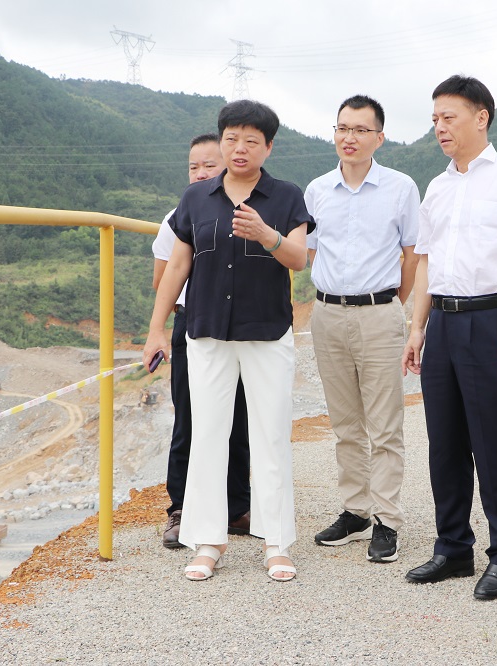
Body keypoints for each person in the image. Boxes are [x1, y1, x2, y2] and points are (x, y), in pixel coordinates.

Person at [143, 99, 313, 582]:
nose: (240, 148)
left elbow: (299, 259)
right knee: (208, 436)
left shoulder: (286, 196)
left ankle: (277, 543)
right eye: (232, 139)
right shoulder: (196, 199)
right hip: (207, 332)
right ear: (221, 142)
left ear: (268, 147)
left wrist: (266, 235)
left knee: (270, 434)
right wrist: (156, 329)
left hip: (267, 333)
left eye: (251, 141)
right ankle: (208, 541)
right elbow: (178, 266)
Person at [401, 75, 497, 600]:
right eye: (435, 119)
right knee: (445, 440)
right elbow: (425, 263)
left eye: (449, 117)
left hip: (492, 320)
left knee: (496, 439)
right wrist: (417, 328)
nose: (440, 127)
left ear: (481, 117)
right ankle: (453, 547)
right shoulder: (437, 187)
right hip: (442, 321)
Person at [305, 95, 419, 563]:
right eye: (342, 128)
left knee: (385, 425)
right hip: (327, 314)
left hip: (379, 313)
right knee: (345, 423)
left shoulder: (400, 187)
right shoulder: (317, 190)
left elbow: (413, 254)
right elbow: (312, 251)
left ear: (379, 137)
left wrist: (392, 305)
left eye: (359, 130)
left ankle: (387, 519)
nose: (348, 137)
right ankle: (355, 511)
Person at [151, 133, 252, 549]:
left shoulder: (247, 211)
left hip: (240, 325)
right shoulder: (177, 216)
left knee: (239, 417)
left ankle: (237, 506)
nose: (200, 173)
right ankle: (181, 509)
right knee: (189, 418)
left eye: (209, 165)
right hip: (192, 322)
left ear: (228, 164)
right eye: (193, 167)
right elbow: (162, 281)